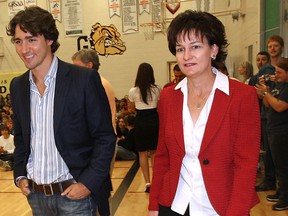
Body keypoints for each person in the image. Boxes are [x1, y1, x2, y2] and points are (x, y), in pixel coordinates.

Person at [148, 10, 260, 216]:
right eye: (180, 49)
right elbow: (163, 156)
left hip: (221, 206)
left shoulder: (242, 96)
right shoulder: (168, 97)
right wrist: (154, 205)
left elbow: (246, 164)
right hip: (174, 204)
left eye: (196, 47)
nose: (187, 56)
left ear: (214, 49)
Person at [6, 6, 116, 216]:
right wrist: (20, 175)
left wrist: (88, 184)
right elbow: (20, 137)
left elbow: (105, 137)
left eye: (31, 39)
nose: (23, 49)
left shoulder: (83, 79)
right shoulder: (18, 86)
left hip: (75, 196)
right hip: (36, 197)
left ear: (49, 39)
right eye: (18, 41)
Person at [71, 49, 116, 216]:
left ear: (89, 65)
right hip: (102, 143)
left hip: (101, 145)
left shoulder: (97, 83)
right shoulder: (100, 81)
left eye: (78, 66)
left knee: (98, 189)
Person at [251, 35, 284, 192]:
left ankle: (282, 185)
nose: (272, 49)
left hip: (283, 114)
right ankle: (269, 180)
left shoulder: (285, 65)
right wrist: (265, 92)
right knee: (269, 151)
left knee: (281, 153)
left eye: (275, 46)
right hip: (266, 114)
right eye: (270, 46)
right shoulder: (264, 70)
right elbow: (259, 92)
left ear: (281, 48)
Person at [255, 58, 288, 211]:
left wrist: (267, 93)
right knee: (277, 165)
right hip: (273, 129)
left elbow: (280, 106)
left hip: (283, 131)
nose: (276, 75)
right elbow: (268, 104)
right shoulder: (278, 86)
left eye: (279, 72)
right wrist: (265, 90)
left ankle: (285, 198)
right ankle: (281, 192)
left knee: (283, 166)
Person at [128, 63, 161, 193]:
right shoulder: (157, 89)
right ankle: (156, 181)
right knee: (154, 153)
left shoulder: (133, 91)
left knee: (142, 153)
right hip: (154, 121)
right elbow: (159, 106)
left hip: (140, 122)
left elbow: (131, 109)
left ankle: (147, 182)